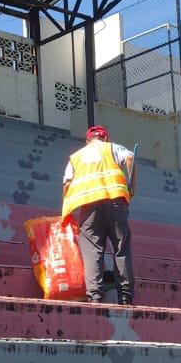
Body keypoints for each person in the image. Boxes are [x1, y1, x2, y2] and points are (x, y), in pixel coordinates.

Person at [61, 126, 136, 305]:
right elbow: (130, 157)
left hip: (89, 208)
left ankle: (95, 297)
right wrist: (131, 186)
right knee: (121, 249)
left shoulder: (76, 157)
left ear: (87, 141)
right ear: (105, 138)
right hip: (116, 204)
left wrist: (69, 207)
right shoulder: (111, 148)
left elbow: (66, 184)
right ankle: (125, 297)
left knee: (92, 251)